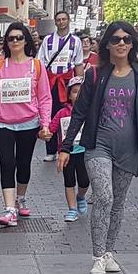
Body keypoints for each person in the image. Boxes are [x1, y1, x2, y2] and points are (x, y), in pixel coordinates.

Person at [59, 21, 138, 274]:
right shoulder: (95, 74)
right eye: (116, 39)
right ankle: (97, 258)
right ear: (107, 44)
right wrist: (66, 146)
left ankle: (109, 252)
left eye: (127, 39)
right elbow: (79, 111)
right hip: (99, 145)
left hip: (129, 149)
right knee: (104, 197)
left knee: (118, 203)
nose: (122, 44)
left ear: (134, 44)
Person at [0, 21, 53, 227]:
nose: (14, 41)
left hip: (29, 124)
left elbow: (45, 98)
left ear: (26, 41)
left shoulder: (36, 66)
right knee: (7, 164)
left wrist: (46, 124)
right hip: (2, 124)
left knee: (23, 165)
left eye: (19, 37)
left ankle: (20, 198)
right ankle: (9, 209)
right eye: (11, 38)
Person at [39, 10, 84, 161]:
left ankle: (67, 145)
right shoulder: (48, 40)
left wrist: (80, 84)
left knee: (69, 113)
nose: (61, 22)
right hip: (51, 81)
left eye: (64, 19)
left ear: (69, 21)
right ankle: (50, 150)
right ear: (55, 22)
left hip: (67, 81)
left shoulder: (75, 41)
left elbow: (78, 63)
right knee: (50, 114)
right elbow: (41, 62)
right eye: (58, 19)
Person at [52, 76, 89, 221]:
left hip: (85, 152)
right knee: (69, 181)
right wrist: (44, 132)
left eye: (81, 91)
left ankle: (81, 196)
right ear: (68, 95)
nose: (78, 94)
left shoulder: (90, 112)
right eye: (74, 91)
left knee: (84, 181)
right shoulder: (62, 113)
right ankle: (72, 209)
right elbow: (52, 127)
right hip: (67, 153)